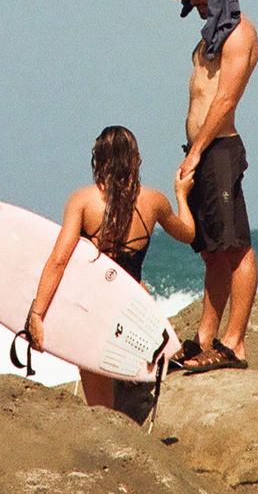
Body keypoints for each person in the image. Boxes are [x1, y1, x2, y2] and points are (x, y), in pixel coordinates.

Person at [26, 125, 195, 408]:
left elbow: (59, 260)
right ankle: (129, 373)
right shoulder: (154, 200)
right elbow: (188, 233)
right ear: (136, 160)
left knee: (101, 409)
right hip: (134, 311)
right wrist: (181, 194)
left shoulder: (83, 200)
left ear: (98, 160)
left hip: (95, 311)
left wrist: (37, 314)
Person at [172, 0, 258, 372]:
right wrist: (193, 151)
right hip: (202, 152)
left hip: (219, 150)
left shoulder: (239, 35)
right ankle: (205, 338)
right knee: (212, 252)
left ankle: (233, 343)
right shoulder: (209, 37)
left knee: (236, 247)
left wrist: (196, 152)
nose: (195, 2)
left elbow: (224, 101)